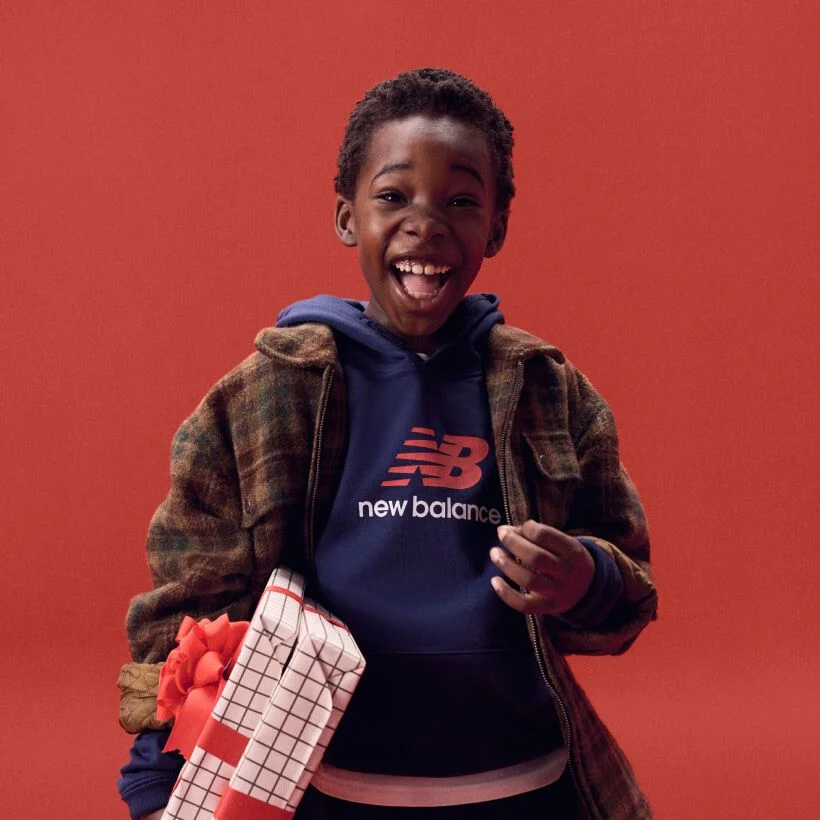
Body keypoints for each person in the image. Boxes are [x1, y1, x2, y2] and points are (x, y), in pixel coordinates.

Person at [117, 68, 658, 820]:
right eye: (394, 196)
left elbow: (629, 588)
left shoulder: (547, 389)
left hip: (526, 786)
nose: (426, 225)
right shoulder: (268, 393)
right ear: (347, 217)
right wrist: (158, 769)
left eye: (461, 201)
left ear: (497, 224)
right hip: (330, 787)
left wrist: (584, 578)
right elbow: (189, 600)